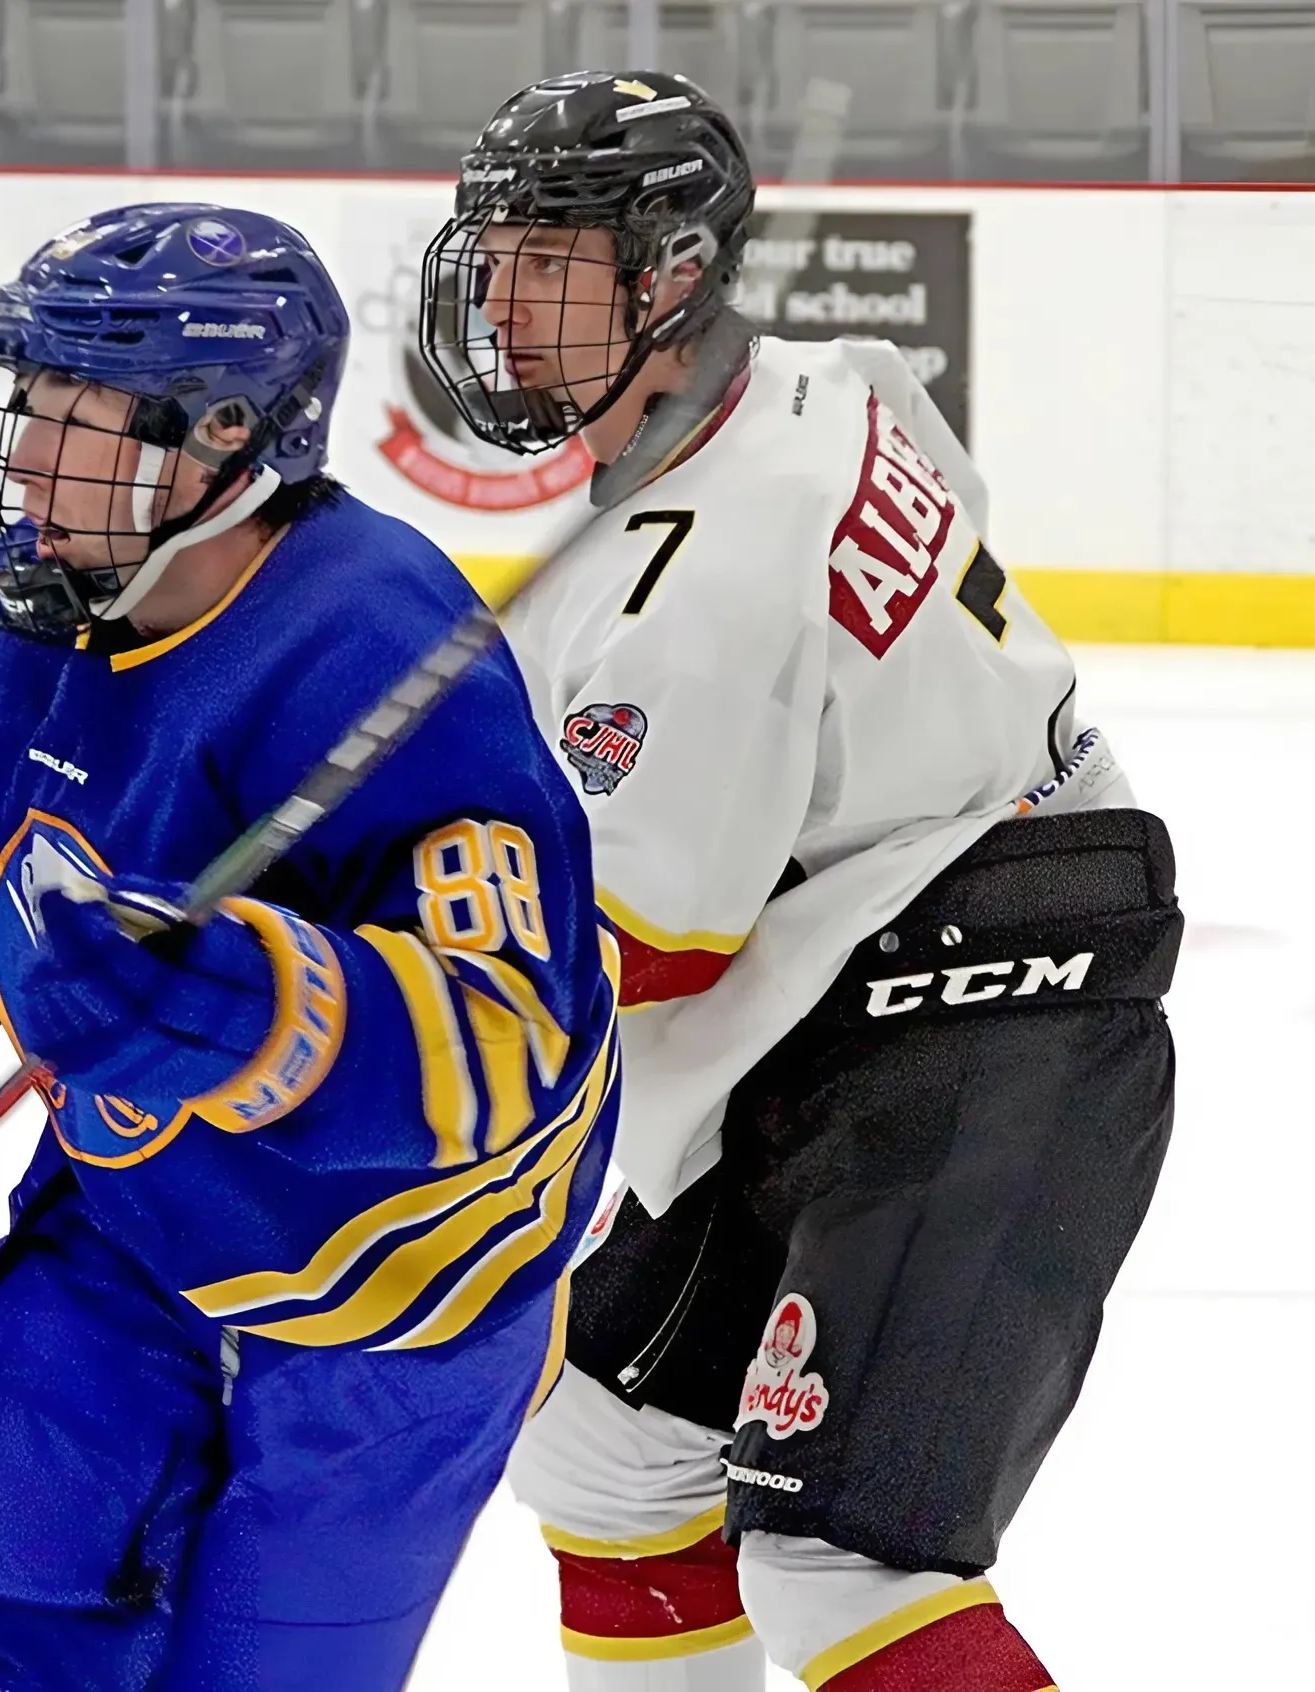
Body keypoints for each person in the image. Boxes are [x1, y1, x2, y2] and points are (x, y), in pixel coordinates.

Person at [0, 202, 623, 1691]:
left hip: (402, 1309)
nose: (23, 457)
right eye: (30, 402)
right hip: (124, 1228)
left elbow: (514, 1038)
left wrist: (261, 1013)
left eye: (80, 416)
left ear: (225, 443)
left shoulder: (382, 648)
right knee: (12, 1654)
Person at [418, 72, 1181, 1692]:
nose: (497, 300)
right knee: (604, 1444)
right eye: (492, 256)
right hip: (874, 971)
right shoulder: (826, 378)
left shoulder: (696, 583)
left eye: (547, 258)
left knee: (839, 1560)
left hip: (986, 1006)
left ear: (670, 275)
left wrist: (358, 932)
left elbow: (634, 955)